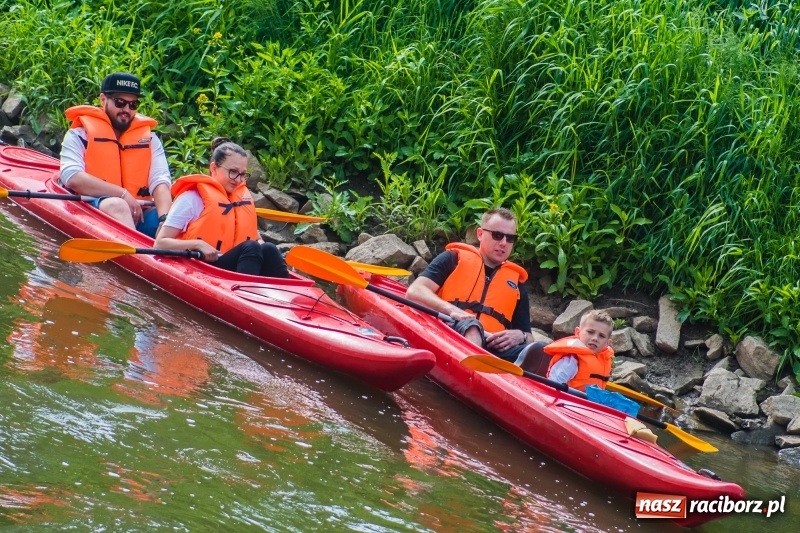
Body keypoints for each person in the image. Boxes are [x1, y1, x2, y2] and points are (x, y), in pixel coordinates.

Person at [406, 207, 546, 370]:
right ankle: (471, 372)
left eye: (510, 238)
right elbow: (414, 291)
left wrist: (521, 336)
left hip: (493, 350)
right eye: (497, 235)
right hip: (450, 330)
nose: (503, 243)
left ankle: (523, 386)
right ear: (480, 234)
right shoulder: (452, 259)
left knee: (540, 349)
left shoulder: (517, 287)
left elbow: (528, 335)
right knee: (473, 326)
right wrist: (451, 310)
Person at [154, 138, 290, 278]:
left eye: (242, 174)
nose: (238, 180)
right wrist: (198, 244)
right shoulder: (192, 198)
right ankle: (243, 294)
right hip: (203, 265)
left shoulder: (241, 199)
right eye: (233, 172)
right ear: (214, 168)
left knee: (269, 248)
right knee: (251, 247)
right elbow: (160, 244)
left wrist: (265, 251)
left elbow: (256, 239)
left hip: (235, 264)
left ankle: (291, 294)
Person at [59, 72, 172, 237]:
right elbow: (72, 177)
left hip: (140, 213)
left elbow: (160, 180)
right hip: (95, 206)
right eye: (120, 103)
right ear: (103, 100)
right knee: (118, 205)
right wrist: (123, 194)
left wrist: (165, 220)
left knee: (178, 216)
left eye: (133, 104)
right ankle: (136, 258)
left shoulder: (150, 139)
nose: (126, 110)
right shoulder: (79, 135)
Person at [546, 310, 615, 391]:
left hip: (587, 402)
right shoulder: (572, 360)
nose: (595, 338)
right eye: (590, 332)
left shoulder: (604, 359)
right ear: (578, 332)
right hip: (566, 402)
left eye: (601, 336)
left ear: (607, 343)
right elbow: (553, 385)